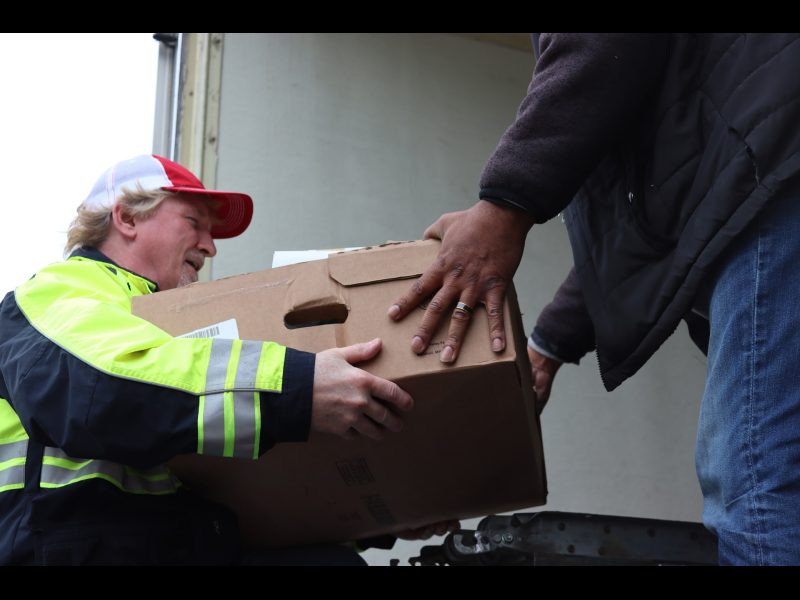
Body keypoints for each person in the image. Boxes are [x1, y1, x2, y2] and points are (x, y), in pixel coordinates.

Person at [388, 34, 800, 565]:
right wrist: (546, 348)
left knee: (758, 479)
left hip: (775, 179)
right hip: (768, 173)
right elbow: (634, 227)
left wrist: (502, 207)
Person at [0, 154, 451, 565]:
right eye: (194, 222)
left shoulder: (167, 333)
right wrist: (297, 389)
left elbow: (230, 493)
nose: (211, 246)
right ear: (126, 217)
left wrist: (377, 524)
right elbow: (96, 392)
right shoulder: (62, 289)